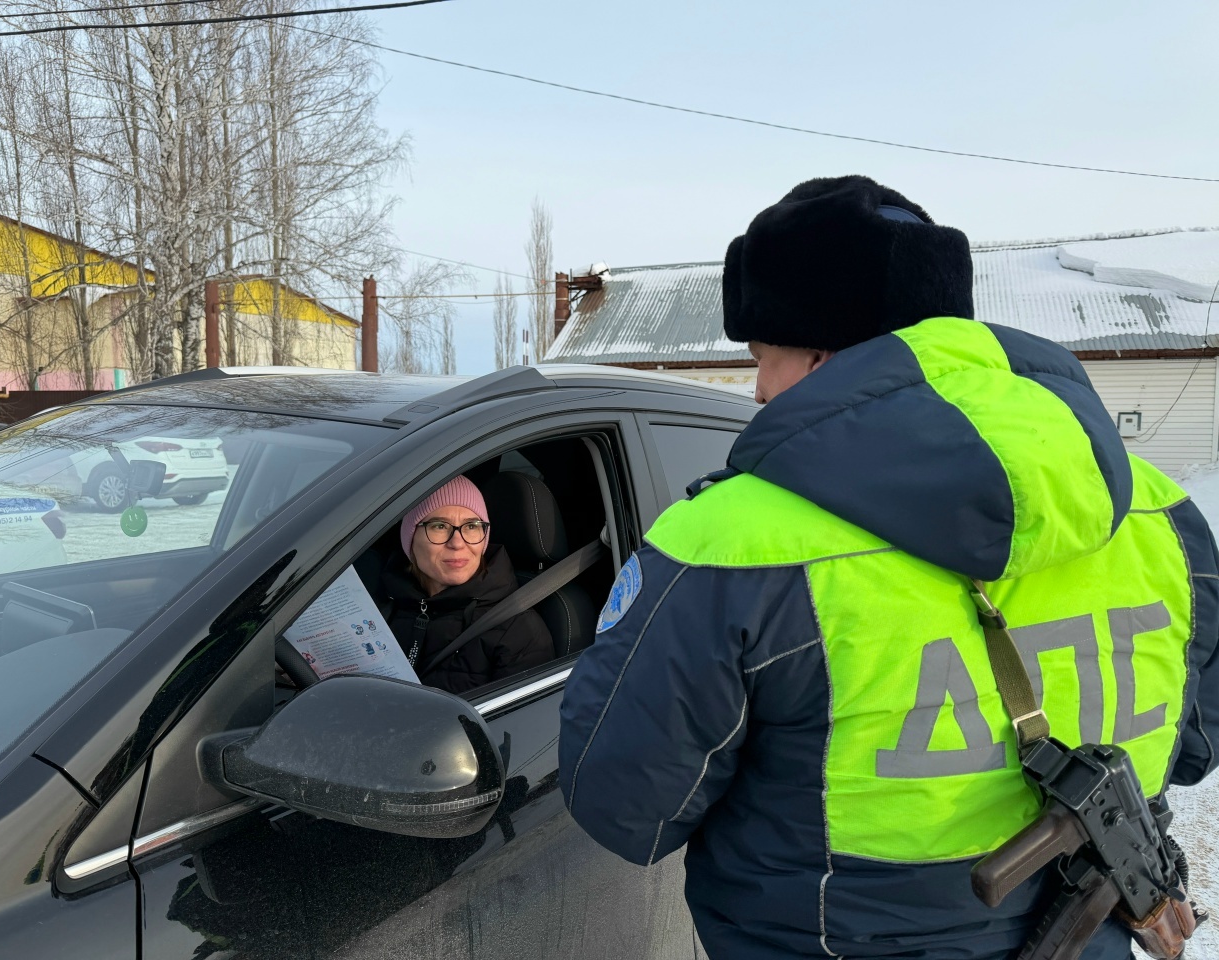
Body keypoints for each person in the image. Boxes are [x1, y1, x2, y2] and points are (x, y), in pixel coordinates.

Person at [558, 176, 1219, 959]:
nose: (760, 389)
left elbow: (624, 804)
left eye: (764, 358)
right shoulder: (1163, 515)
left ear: (824, 352)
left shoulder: (730, 543)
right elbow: (1194, 748)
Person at [381, 475, 553, 694]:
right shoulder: (381, 604)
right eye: (440, 526)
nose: (457, 543)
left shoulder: (518, 630)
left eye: (471, 526)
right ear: (411, 538)